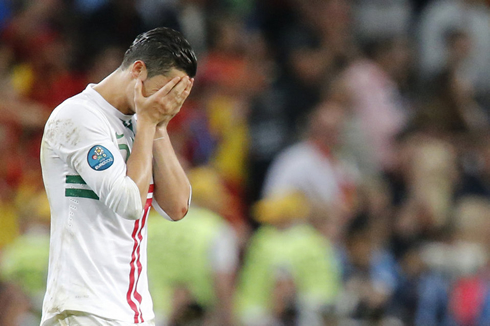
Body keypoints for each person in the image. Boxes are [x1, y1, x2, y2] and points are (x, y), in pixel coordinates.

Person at [39, 27, 197, 326]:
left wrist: (159, 127)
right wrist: (149, 122)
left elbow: (177, 207)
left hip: (133, 312)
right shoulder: (78, 117)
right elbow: (128, 203)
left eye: (175, 96)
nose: (165, 101)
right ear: (138, 70)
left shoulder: (141, 122)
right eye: (164, 90)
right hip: (82, 310)